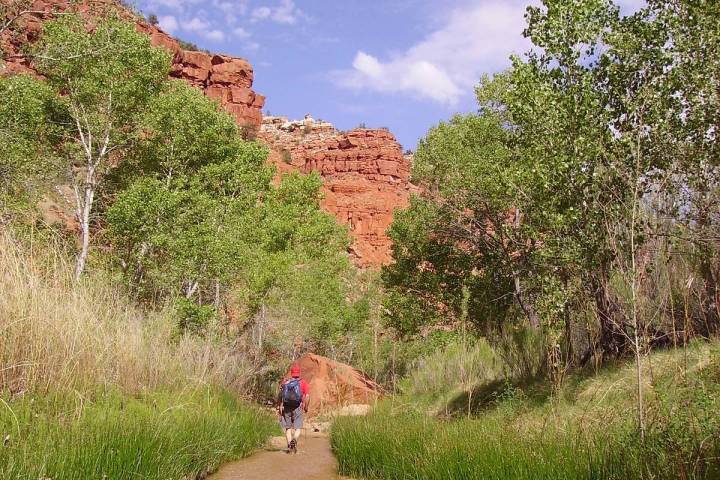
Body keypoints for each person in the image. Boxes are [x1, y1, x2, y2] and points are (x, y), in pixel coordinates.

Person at [277, 363, 310, 453]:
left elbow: (280, 395)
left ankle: (289, 446)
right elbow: (307, 396)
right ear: (299, 373)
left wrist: (278, 406)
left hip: (286, 407)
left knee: (288, 428)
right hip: (298, 408)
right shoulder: (303, 383)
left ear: (291, 373)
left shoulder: (286, 382)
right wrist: (306, 407)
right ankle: (294, 439)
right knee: (298, 428)